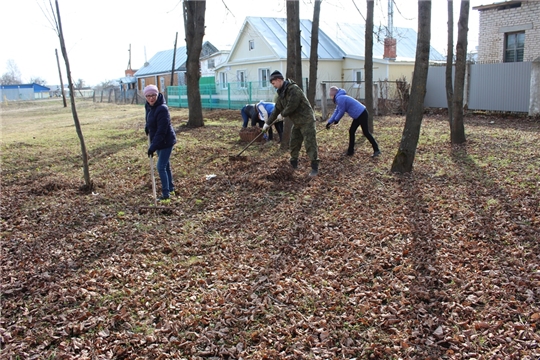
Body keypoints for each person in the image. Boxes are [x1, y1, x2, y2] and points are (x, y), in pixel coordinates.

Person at [263, 70, 319, 177]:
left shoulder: (294, 89)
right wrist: (267, 123)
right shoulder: (281, 93)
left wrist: (283, 115)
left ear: (279, 80)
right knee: (294, 143)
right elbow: (276, 110)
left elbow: (292, 105)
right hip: (297, 122)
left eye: (274, 83)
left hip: (306, 120)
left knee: (310, 143)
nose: (273, 86)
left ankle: (314, 168)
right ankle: (293, 165)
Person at [326, 86, 381, 158]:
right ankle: (350, 151)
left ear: (334, 94)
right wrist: (330, 122)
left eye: (331, 95)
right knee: (351, 131)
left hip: (362, 113)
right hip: (358, 115)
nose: (331, 97)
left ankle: (376, 149)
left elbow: (341, 111)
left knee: (366, 132)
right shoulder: (340, 98)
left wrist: (336, 120)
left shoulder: (340, 98)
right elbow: (337, 111)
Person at [144, 84, 177, 201]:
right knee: (166, 165)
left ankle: (166, 194)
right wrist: (147, 126)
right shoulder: (148, 106)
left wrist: (153, 146)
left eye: (153, 95)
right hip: (157, 141)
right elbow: (148, 118)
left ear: (157, 94)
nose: (151, 98)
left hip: (166, 140)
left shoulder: (162, 108)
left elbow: (162, 130)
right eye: (148, 96)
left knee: (161, 166)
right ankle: (171, 188)